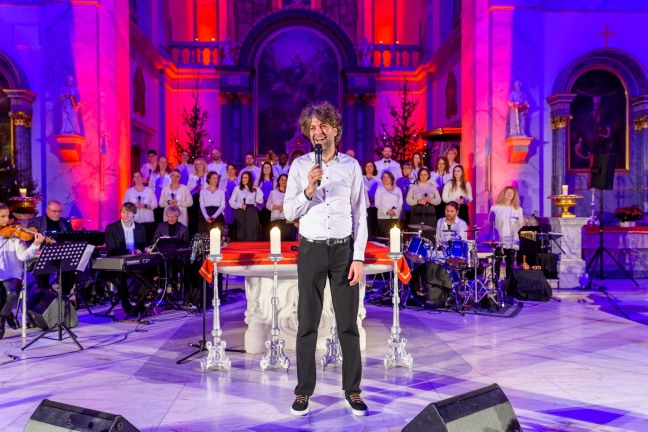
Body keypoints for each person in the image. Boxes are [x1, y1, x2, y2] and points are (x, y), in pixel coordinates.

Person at [284, 100, 368, 417]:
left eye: (323, 126)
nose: (317, 132)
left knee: (348, 324)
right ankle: (304, 391)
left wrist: (357, 258)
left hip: (343, 251)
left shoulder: (351, 167)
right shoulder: (299, 166)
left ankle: (353, 391)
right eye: (312, 128)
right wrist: (308, 189)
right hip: (311, 249)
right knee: (308, 323)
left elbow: (360, 215)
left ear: (335, 129)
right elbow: (289, 211)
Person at [0, 203, 44, 338]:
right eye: (2, 216)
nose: (7, 220)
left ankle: (2, 318)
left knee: (12, 293)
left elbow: (23, 256)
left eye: (8, 216)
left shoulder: (15, 234)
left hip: (12, 274)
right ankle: (7, 312)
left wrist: (35, 245)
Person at [104, 202, 147, 315]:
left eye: (128, 213)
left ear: (134, 214)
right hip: (117, 263)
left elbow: (142, 246)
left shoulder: (140, 227)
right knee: (120, 276)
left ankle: (140, 304)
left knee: (149, 274)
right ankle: (126, 305)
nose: (125, 215)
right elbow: (111, 249)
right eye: (123, 213)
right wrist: (128, 251)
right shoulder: (112, 228)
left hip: (136, 263)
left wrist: (147, 249)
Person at [28, 200, 75, 294]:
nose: (57, 214)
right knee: (43, 270)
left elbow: (71, 238)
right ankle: (43, 297)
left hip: (61, 255)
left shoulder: (65, 222)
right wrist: (38, 250)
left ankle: (64, 296)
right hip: (42, 255)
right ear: (47, 210)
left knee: (71, 268)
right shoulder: (36, 222)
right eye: (54, 211)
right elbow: (29, 241)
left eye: (59, 211)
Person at [489, 186, 524, 280]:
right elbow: (490, 222)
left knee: (511, 263)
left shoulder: (518, 209)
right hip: (498, 239)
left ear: (514, 196)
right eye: (507, 192)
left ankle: (509, 286)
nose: (509, 194)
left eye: (511, 193)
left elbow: (520, 223)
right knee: (497, 262)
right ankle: (496, 285)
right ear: (503, 194)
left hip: (512, 239)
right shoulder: (495, 208)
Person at [406, 168, 441, 240]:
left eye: (425, 175)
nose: (423, 176)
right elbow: (408, 200)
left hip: (429, 211)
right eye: (421, 175)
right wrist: (418, 201)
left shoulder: (432, 186)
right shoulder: (414, 187)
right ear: (419, 176)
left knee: (429, 232)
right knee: (417, 233)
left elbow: (438, 200)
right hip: (417, 211)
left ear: (428, 175)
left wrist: (430, 200)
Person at [122, 172, 157, 243]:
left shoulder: (149, 191)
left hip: (148, 221)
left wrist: (144, 206)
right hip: (134, 221)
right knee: (136, 242)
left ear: (142, 178)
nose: (137, 178)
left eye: (139, 176)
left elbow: (155, 204)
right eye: (135, 176)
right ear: (133, 179)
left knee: (148, 241)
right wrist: (133, 205)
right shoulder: (129, 191)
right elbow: (124, 205)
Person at [229, 171, 259, 241]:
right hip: (240, 211)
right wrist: (240, 205)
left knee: (251, 230)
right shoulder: (237, 188)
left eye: (246, 178)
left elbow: (259, 201)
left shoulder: (254, 189)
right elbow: (231, 202)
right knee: (240, 231)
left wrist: (258, 189)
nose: (243, 179)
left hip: (251, 212)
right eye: (242, 177)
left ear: (250, 179)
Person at [266, 174, 296, 241]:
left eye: (285, 180)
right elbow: (268, 205)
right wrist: (276, 207)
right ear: (278, 181)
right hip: (276, 218)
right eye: (282, 180)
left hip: (287, 219)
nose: (283, 181)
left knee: (287, 238)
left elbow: (294, 206)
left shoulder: (291, 193)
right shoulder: (273, 192)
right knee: (277, 239)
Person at [375, 171, 403, 238]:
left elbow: (401, 203)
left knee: (395, 238)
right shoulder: (379, 190)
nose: (385, 179)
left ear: (391, 178)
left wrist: (395, 211)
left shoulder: (398, 190)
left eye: (387, 177)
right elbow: (377, 203)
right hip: (383, 218)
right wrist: (387, 211)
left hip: (395, 217)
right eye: (384, 177)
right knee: (384, 238)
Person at [187, 157, 208, 236]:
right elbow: (188, 190)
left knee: (204, 218)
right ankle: (193, 237)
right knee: (194, 219)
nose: (199, 166)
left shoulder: (208, 175)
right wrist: (195, 188)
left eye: (200, 164)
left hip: (205, 199)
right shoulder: (192, 176)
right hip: (194, 200)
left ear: (204, 165)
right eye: (196, 164)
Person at [256, 161, 276, 241]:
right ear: (262, 169)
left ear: (271, 169)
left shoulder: (275, 180)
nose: (266, 169)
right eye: (265, 167)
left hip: (272, 206)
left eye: (268, 167)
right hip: (261, 207)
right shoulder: (258, 180)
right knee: (263, 226)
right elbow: (255, 192)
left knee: (272, 226)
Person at [149, 156, 171, 222]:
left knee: (165, 219)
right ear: (158, 163)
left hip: (166, 200)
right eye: (161, 162)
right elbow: (150, 188)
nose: (163, 164)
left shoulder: (170, 175)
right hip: (156, 199)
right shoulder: (153, 175)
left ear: (167, 164)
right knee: (157, 219)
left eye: (165, 162)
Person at [363, 161, 380, 239]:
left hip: (374, 206)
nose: (369, 168)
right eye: (367, 166)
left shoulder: (378, 180)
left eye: (371, 166)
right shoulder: (360, 179)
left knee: (373, 225)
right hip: (363, 206)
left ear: (374, 168)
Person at [222, 164, 239, 242]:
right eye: (228, 169)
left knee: (236, 223)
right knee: (228, 224)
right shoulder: (223, 182)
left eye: (232, 169)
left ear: (235, 170)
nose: (230, 171)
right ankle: (228, 240)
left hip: (237, 206)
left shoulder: (239, 181)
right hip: (227, 206)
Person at [395, 162, 414, 227]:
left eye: (408, 168)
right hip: (402, 208)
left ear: (411, 170)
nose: (405, 170)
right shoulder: (399, 181)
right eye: (404, 169)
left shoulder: (415, 180)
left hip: (412, 207)